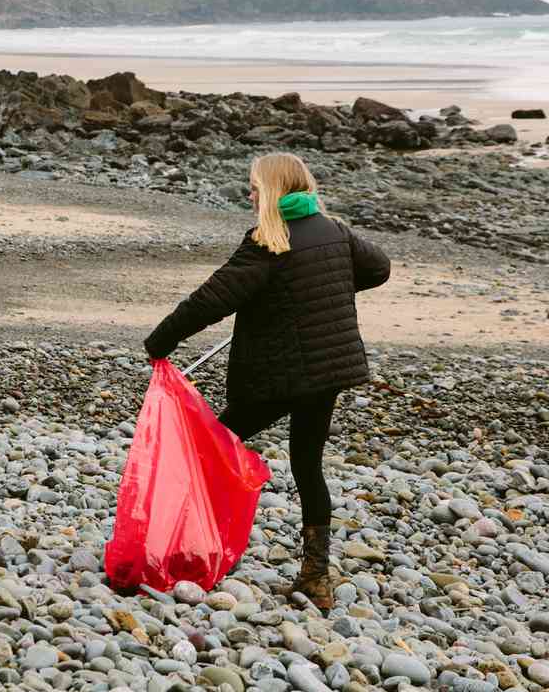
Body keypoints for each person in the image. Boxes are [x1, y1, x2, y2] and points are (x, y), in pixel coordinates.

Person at [144, 152, 390, 609]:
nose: (250, 193)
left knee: (210, 451)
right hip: (327, 373)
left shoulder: (268, 241)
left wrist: (161, 341)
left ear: (275, 189)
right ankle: (317, 577)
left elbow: (210, 299)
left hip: (280, 374)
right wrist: (317, 286)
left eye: (255, 186)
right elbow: (378, 268)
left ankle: (191, 549)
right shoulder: (333, 231)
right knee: (307, 465)